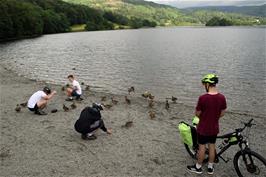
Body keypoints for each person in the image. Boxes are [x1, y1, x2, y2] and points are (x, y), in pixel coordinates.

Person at [187, 74, 227, 175]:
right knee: (212, 146)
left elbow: (197, 113)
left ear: (208, 84)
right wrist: (213, 117)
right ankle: (210, 167)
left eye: (204, 84)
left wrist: (204, 117)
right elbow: (222, 113)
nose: (204, 85)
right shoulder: (222, 97)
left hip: (203, 127)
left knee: (202, 147)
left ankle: (198, 167)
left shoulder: (203, 98)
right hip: (214, 128)